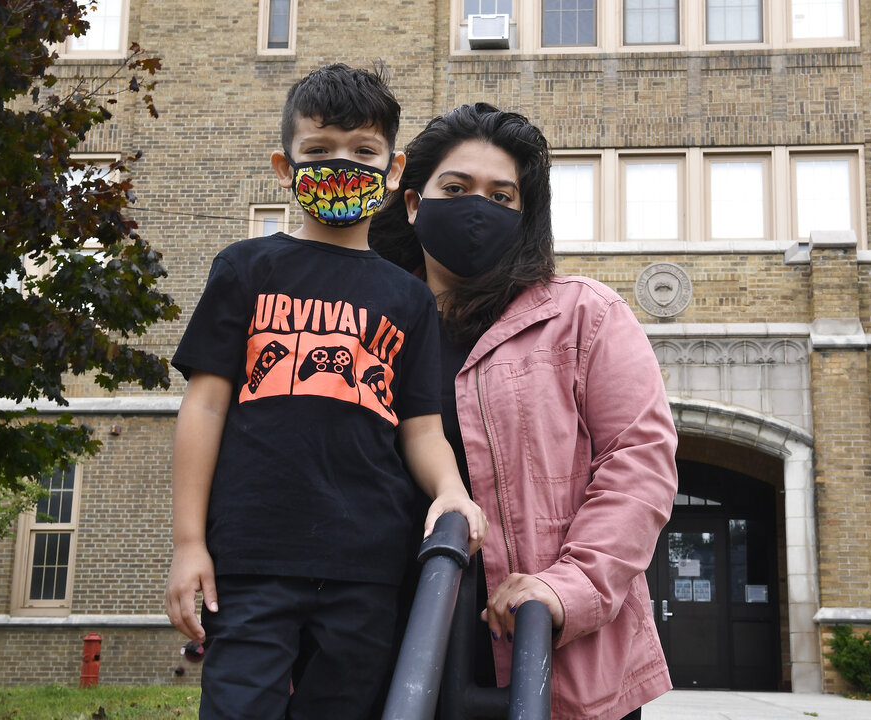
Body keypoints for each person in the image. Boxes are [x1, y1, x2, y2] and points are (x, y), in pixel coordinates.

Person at [163, 64, 487, 720]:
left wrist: (452, 491)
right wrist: (187, 542)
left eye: (363, 152)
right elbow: (204, 404)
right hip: (251, 557)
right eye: (319, 151)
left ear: (393, 171)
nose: (342, 164)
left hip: (369, 564)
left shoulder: (409, 299)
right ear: (285, 168)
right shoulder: (245, 267)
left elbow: (421, 428)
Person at [371, 102, 679, 720]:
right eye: (455, 188)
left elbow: (638, 465)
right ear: (412, 202)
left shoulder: (585, 316)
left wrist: (565, 589)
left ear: (525, 214)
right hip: (381, 644)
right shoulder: (363, 322)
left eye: (501, 196)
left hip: (551, 655)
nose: (476, 208)